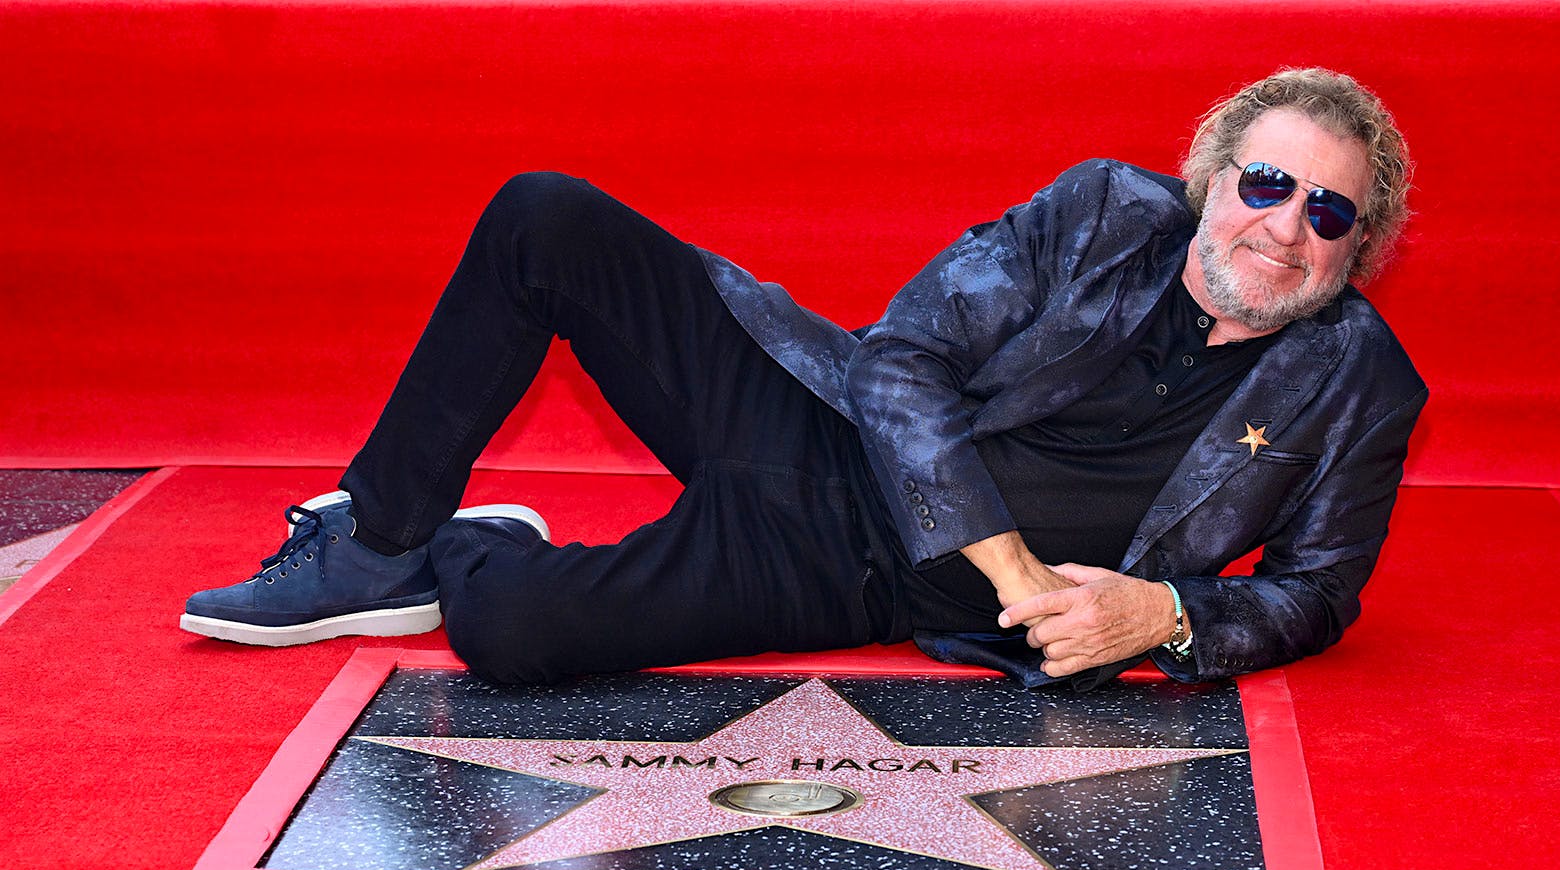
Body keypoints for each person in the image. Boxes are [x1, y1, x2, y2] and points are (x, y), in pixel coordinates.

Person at [181, 67, 1425, 690]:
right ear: (1211, 181)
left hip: (855, 578)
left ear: (1356, 245)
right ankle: (381, 537)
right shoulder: (1102, 211)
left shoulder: (1364, 385)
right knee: (546, 217)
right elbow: (899, 357)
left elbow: (1318, 591)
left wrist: (1165, 618)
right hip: (826, 423)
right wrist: (1013, 564)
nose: (1284, 228)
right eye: (1265, 185)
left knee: (511, 635)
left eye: (1327, 211)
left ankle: (471, 546)